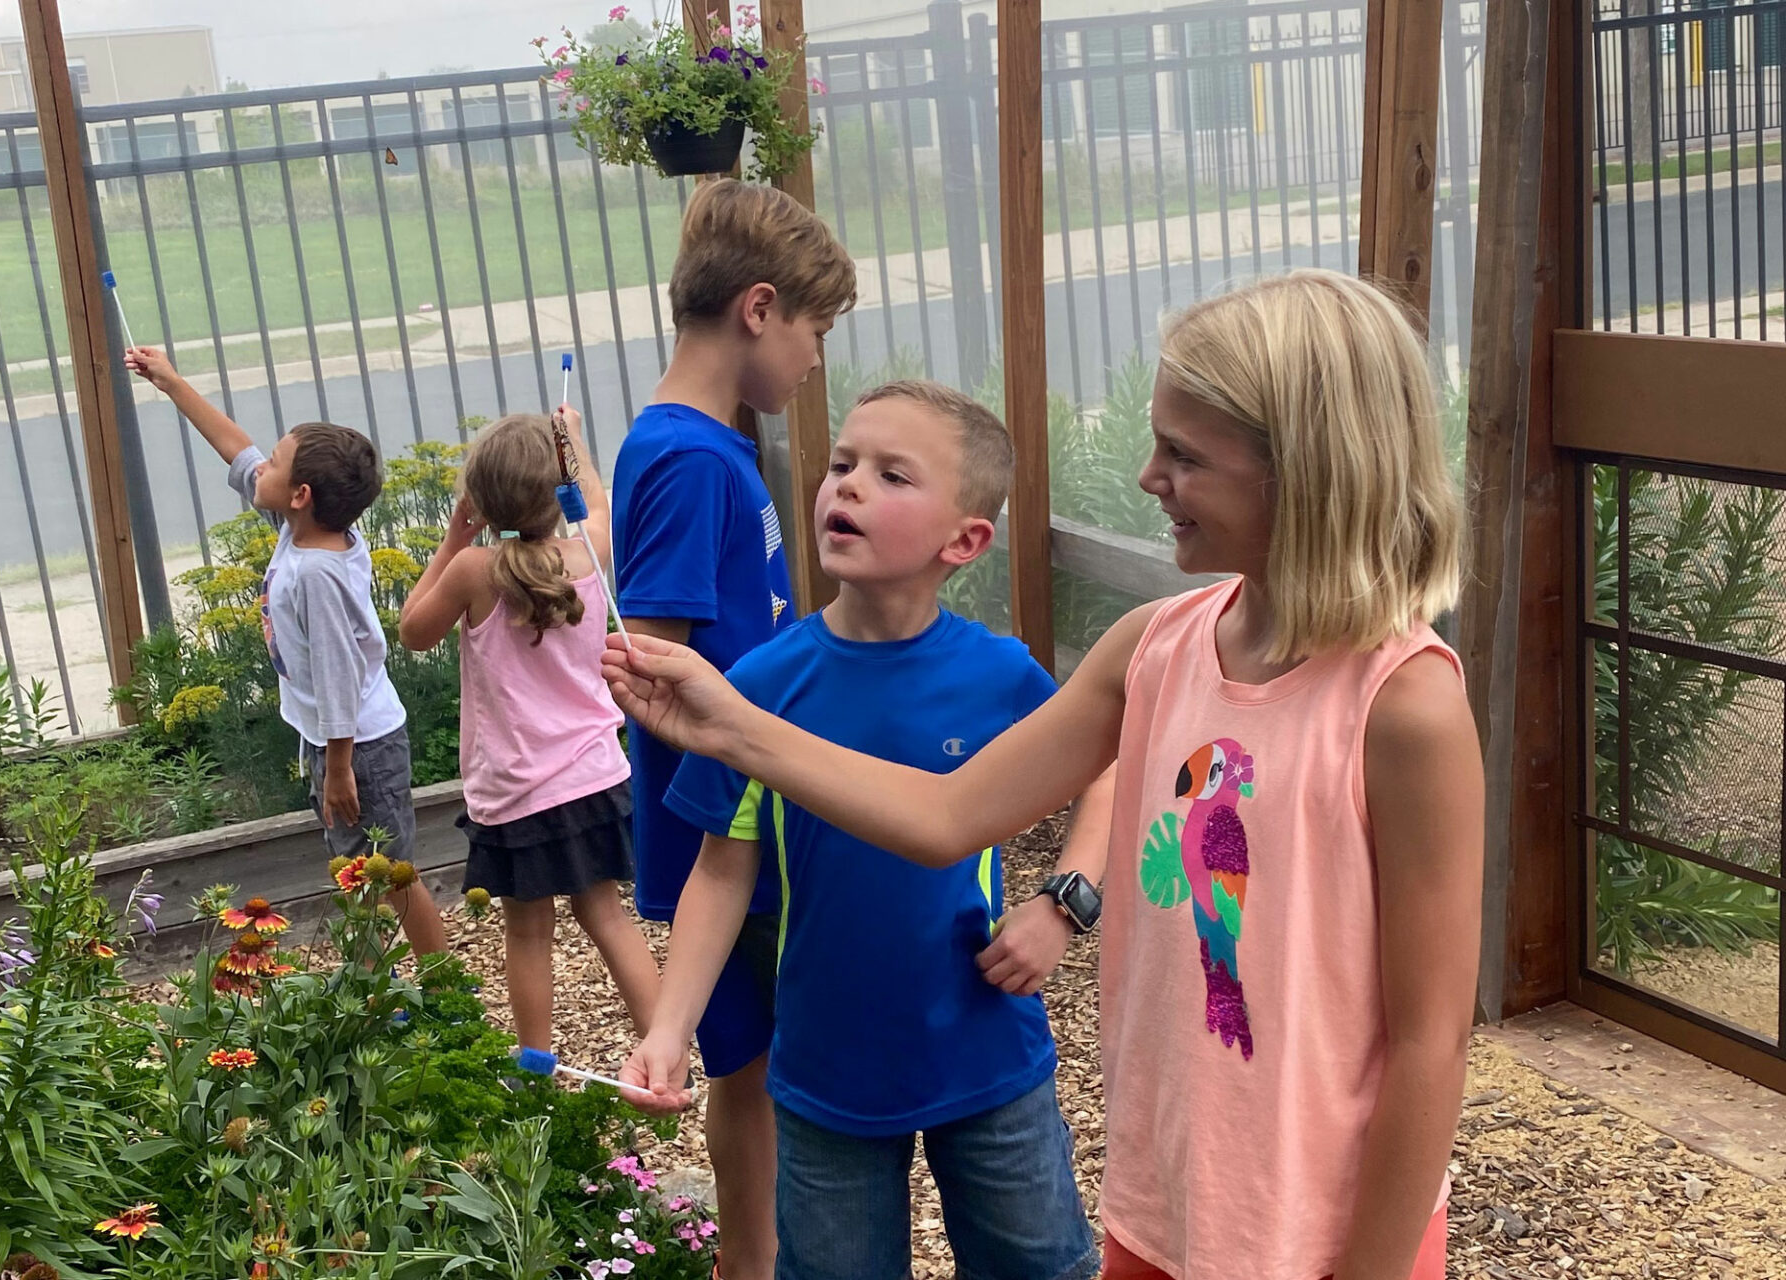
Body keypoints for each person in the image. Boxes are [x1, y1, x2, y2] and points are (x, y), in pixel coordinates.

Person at [604, 270, 1484, 1280]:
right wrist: (732, 725)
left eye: (1185, 455)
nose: (1148, 476)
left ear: (1309, 472)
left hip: (1322, 1233)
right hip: (1166, 1203)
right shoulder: (1150, 647)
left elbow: (1430, 1041)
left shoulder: (1403, 708)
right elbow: (948, 814)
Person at [619, 380, 1105, 1280]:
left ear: (965, 541)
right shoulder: (759, 687)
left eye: (891, 474)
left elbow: (1102, 767)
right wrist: (670, 1029)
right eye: (842, 463)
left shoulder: (999, 675)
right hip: (823, 1072)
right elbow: (721, 874)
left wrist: (1063, 904)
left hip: (988, 1051)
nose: (846, 484)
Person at [610, 177, 858, 1280]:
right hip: (734, 821)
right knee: (761, 1068)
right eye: (815, 331)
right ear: (759, 308)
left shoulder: (702, 444)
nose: (814, 360)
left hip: (747, 803)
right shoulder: (690, 459)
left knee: (750, 1065)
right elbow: (655, 668)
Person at [127, 346, 447, 957]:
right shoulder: (303, 530)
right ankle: (378, 985)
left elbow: (337, 675)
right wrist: (171, 383)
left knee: (386, 878)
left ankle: (431, 987)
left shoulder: (318, 573)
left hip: (359, 747)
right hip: (341, 742)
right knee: (362, 876)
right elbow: (237, 449)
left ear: (299, 494)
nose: (260, 469)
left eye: (274, 464)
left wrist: (338, 768)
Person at [397, 410, 659, 1053]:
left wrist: (454, 538)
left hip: (517, 792)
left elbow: (411, 631)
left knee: (528, 933)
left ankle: (537, 1069)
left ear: (480, 501)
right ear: (557, 491)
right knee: (607, 916)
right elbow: (599, 506)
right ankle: (665, 1052)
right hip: (593, 777)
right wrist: (577, 445)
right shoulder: (588, 553)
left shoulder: (472, 570)